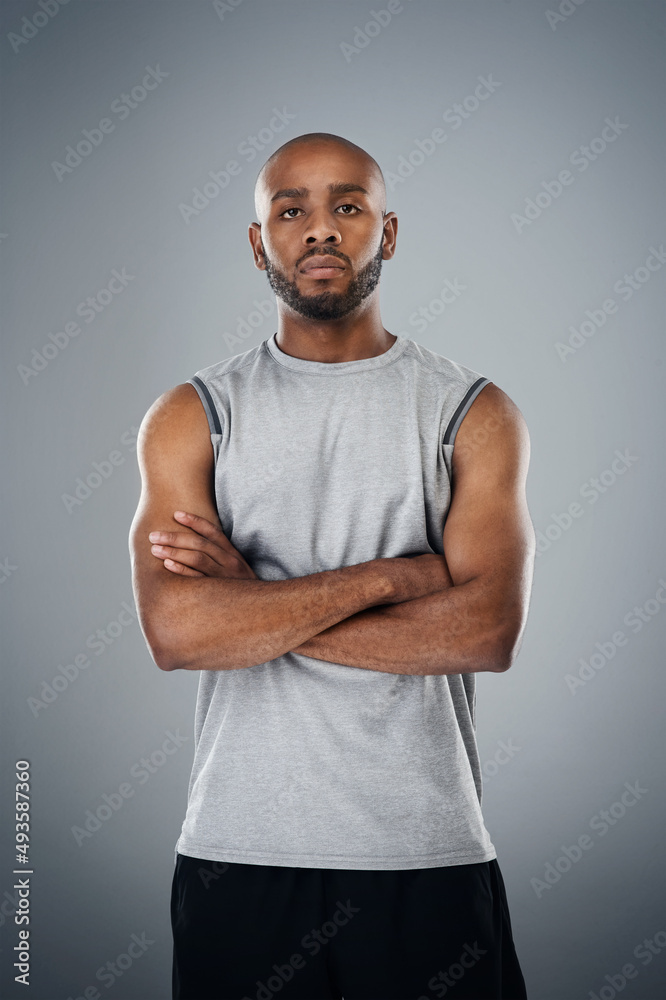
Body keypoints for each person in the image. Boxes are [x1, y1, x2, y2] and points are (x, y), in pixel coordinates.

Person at [129, 131, 535, 1000]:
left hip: (428, 853)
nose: (322, 230)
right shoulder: (192, 416)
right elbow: (177, 631)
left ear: (387, 233)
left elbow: (486, 630)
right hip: (236, 857)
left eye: (348, 206)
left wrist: (253, 608)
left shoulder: (472, 412)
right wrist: (396, 577)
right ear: (258, 242)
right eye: (292, 211)